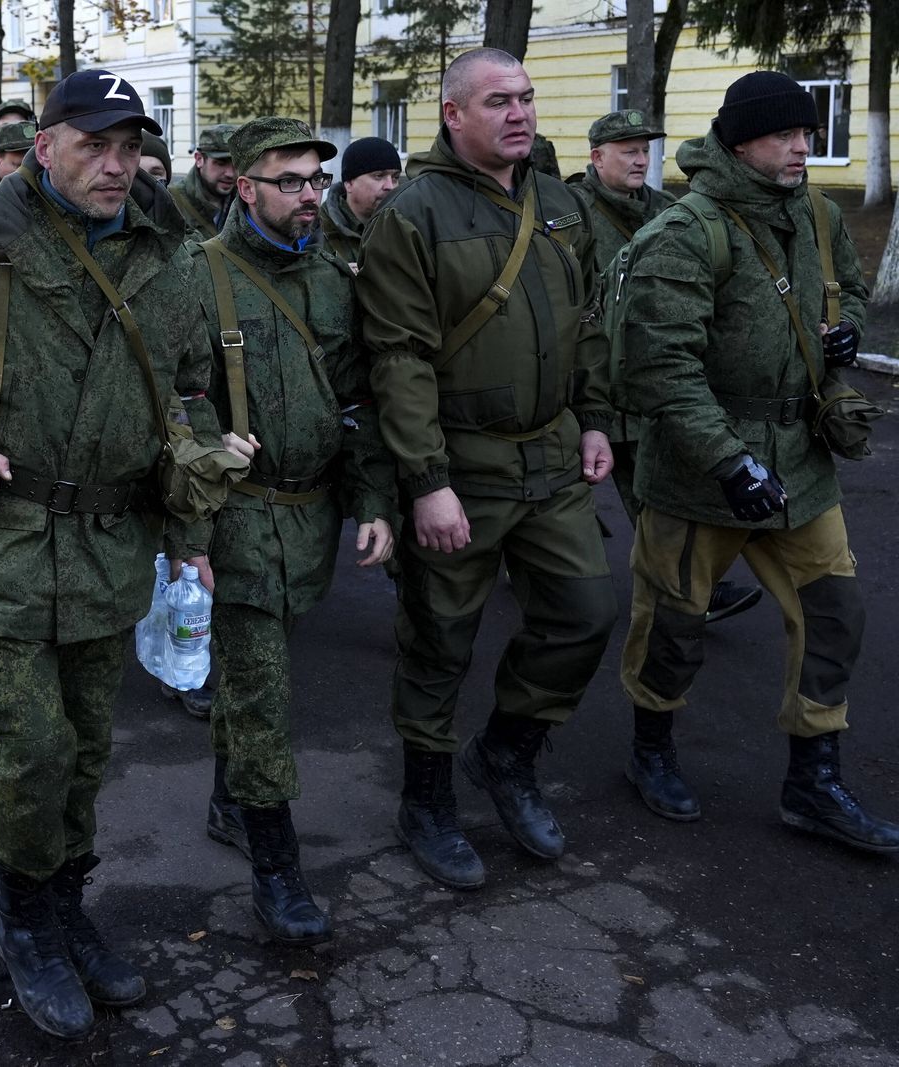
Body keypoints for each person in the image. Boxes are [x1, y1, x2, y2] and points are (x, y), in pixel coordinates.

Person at [0, 69, 241, 1041]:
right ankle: (23, 917)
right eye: (95, 144)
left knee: (89, 750)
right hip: (9, 545)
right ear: (46, 143)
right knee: (32, 748)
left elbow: (188, 398)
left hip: (113, 543)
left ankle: (66, 904)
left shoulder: (167, 253)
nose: (116, 165)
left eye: (130, 146)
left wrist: (190, 535)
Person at [617, 71, 899, 853]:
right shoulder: (685, 232)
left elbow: (852, 288)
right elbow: (661, 370)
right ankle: (651, 751)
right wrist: (729, 463)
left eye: (808, 133)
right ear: (740, 142)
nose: (804, 147)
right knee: (674, 624)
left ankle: (813, 780)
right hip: (699, 469)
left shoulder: (812, 210)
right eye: (786, 135)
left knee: (837, 614)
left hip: (801, 463)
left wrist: (841, 331)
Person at [358, 48, 618, 890]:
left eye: (528, 99)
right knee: (439, 638)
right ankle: (426, 800)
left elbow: (588, 325)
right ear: (453, 115)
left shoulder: (562, 204)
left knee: (584, 609)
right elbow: (397, 356)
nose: (520, 113)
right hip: (460, 462)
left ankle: (505, 754)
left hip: (549, 450)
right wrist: (426, 480)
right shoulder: (412, 214)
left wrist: (595, 420)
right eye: (498, 100)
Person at [187, 116, 396, 945]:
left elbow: (359, 398)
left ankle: (225, 798)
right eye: (290, 182)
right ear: (244, 186)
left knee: (249, 679)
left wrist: (375, 498)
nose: (310, 196)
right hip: (237, 520)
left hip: (312, 519)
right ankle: (278, 871)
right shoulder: (197, 276)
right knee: (264, 691)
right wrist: (196, 488)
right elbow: (166, 395)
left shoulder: (332, 279)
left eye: (316, 181)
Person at [570, 109, 762, 623]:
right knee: (563, 494)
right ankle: (538, 575)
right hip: (588, 384)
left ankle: (686, 591)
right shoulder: (571, 212)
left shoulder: (666, 208)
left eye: (645, 149)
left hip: (647, 383)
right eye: (628, 150)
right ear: (597, 157)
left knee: (653, 500)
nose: (641, 159)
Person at [318, 135, 401, 269]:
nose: (390, 186)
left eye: (395, 177)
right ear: (349, 183)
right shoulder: (317, 231)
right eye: (379, 176)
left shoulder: (404, 226)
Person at [169, 123, 236, 238]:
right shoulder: (172, 202)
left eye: (236, 164)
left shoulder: (246, 203)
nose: (230, 173)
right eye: (221, 163)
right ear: (199, 159)